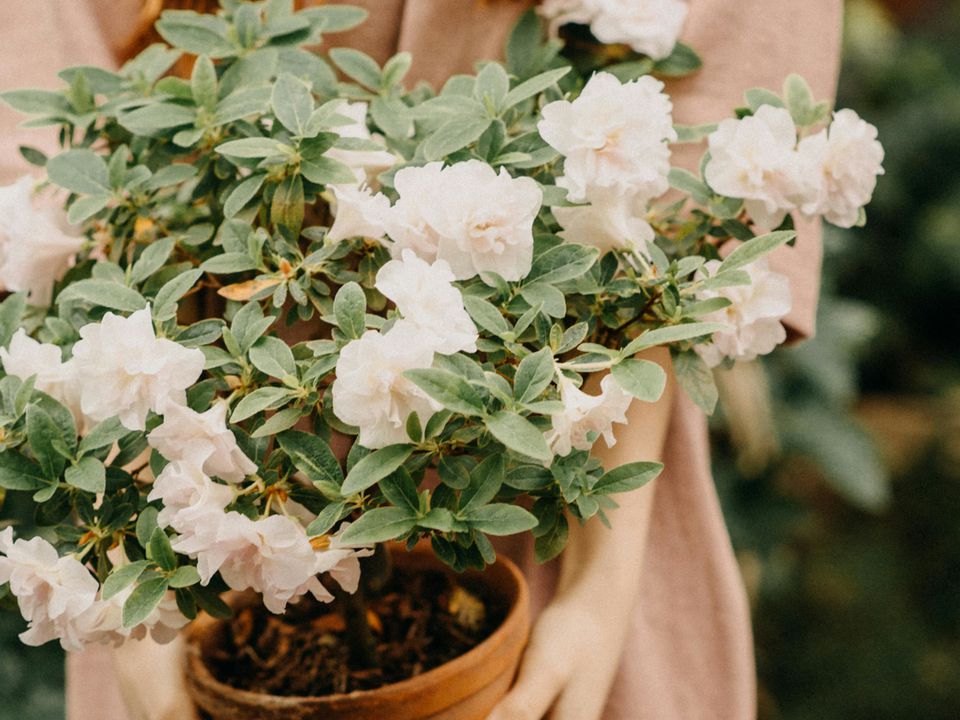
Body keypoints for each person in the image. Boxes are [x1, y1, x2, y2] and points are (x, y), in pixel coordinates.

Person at [0, 1, 842, 718]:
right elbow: (56, 169)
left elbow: (667, 250)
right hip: (183, 435)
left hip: (562, 433)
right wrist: (141, 580)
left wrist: (597, 594)